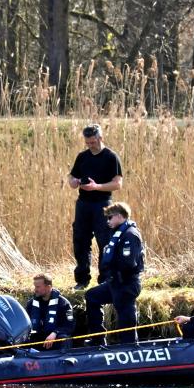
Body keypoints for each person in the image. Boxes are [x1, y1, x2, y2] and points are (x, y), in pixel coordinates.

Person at [67, 124, 124, 290]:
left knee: (104, 242)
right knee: (80, 241)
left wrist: (96, 187)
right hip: (83, 204)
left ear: (100, 138)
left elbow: (117, 184)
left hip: (103, 204)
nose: (90, 145)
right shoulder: (82, 156)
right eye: (87, 142)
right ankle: (82, 280)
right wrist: (74, 182)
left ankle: (105, 280)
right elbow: (71, 178)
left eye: (93, 142)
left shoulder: (111, 157)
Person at [83, 202, 144, 345]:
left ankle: (129, 346)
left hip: (127, 284)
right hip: (115, 282)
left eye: (110, 217)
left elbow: (128, 263)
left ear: (119, 216)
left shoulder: (130, 235)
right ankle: (97, 339)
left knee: (125, 314)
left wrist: (112, 267)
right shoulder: (117, 233)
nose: (108, 221)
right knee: (92, 296)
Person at [25, 274, 75, 350]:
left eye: (38, 287)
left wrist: (55, 333)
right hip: (37, 338)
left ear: (48, 287)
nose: (35, 290)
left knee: (64, 339)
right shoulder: (31, 304)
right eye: (35, 287)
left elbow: (70, 325)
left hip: (55, 338)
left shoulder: (64, 304)